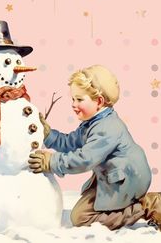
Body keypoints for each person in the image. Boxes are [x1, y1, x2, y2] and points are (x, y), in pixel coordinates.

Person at [28, 65, 161, 230]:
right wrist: (49, 135)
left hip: (128, 179)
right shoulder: (92, 122)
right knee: (80, 214)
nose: (73, 104)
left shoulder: (107, 127)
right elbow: (71, 142)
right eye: (72, 99)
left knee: (81, 218)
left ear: (99, 101)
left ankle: (148, 205)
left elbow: (85, 159)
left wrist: (52, 161)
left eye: (79, 99)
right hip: (111, 176)